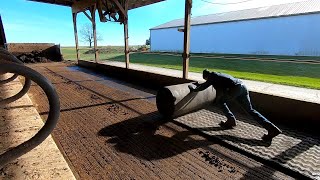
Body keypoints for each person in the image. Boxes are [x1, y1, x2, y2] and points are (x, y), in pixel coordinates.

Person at [188, 69, 282, 141]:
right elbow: (214, 86)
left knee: (220, 102)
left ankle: (231, 120)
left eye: (206, 79)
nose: (207, 80)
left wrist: (194, 89)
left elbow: (205, 86)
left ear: (206, 76)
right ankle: (272, 129)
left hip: (235, 89)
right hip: (242, 86)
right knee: (250, 110)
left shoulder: (212, 77)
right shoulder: (218, 75)